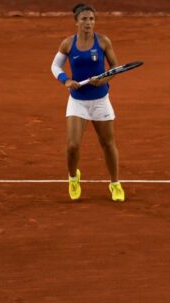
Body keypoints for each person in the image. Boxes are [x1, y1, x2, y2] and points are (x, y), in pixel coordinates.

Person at [50, 3, 125, 202]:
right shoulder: (68, 44)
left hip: (101, 101)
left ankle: (115, 183)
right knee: (73, 146)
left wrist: (103, 79)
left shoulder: (102, 41)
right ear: (76, 21)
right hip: (78, 102)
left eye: (91, 19)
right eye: (84, 19)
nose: (88, 23)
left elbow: (115, 67)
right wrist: (66, 80)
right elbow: (55, 65)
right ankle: (73, 178)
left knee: (108, 144)